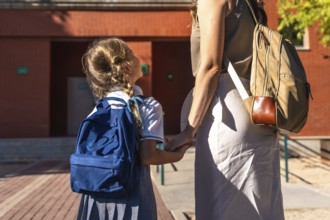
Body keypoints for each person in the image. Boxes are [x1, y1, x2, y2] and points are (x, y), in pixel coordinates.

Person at [166, 0, 285, 219]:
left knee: (223, 208)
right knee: (260, 209)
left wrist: (189, 130)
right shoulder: (251, 5)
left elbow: (211, 67)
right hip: (259, 111)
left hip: (227, 114)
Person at [76, 38, 189, 220]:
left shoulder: (98, 108)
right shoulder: (148, 106)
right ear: (126, 68)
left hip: (95, 195)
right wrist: (178, 155)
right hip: (132, 196)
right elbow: (148, 156)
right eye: (132, 54)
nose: (138, 58)